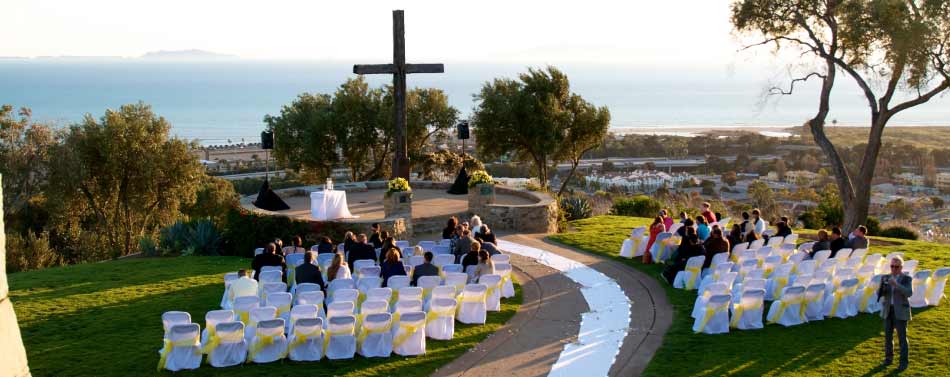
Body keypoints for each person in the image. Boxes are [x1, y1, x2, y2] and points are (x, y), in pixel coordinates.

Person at [878, 257, 913, 371]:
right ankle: (888, 359)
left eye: (896, 267)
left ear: (901, 267)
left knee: (902, 338)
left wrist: (896, 284)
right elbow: (879, 294)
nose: (893, 269)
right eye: (892, 266)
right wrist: (882, 287)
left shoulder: (906, 278)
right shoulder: (885, 277)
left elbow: (909, 293)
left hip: (900, 311)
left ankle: (903, 363)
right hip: (888, 310)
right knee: (888, 337)